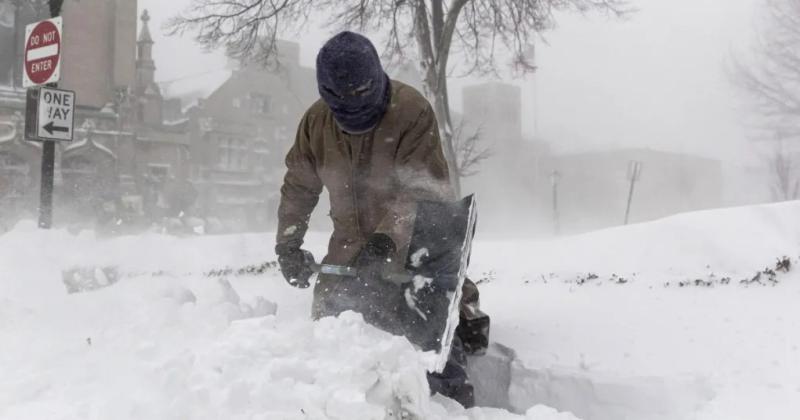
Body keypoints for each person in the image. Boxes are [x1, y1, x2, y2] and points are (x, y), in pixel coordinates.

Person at [275, 31, 489, 408]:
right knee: (334, 339)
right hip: (348, 253)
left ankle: (452, 406)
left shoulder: (411, 112)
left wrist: (386, 240)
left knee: (430, 344)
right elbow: (299, 187)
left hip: (413, 246)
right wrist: (288, 244)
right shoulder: (316, 124)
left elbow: (424, 192)